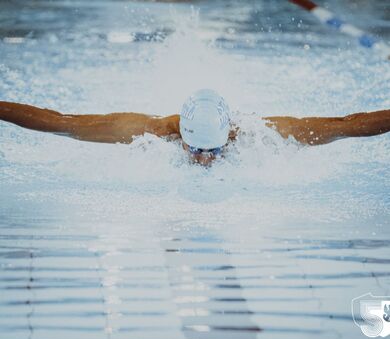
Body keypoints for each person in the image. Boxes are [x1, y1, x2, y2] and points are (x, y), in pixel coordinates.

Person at [0, 89, 389, 166]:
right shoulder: (145, 130)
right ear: (181, 136)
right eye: (196, 150)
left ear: (227, 137)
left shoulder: (263, 132)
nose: (205, 160)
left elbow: (346, 126)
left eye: (214, 151)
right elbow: (58, 123)